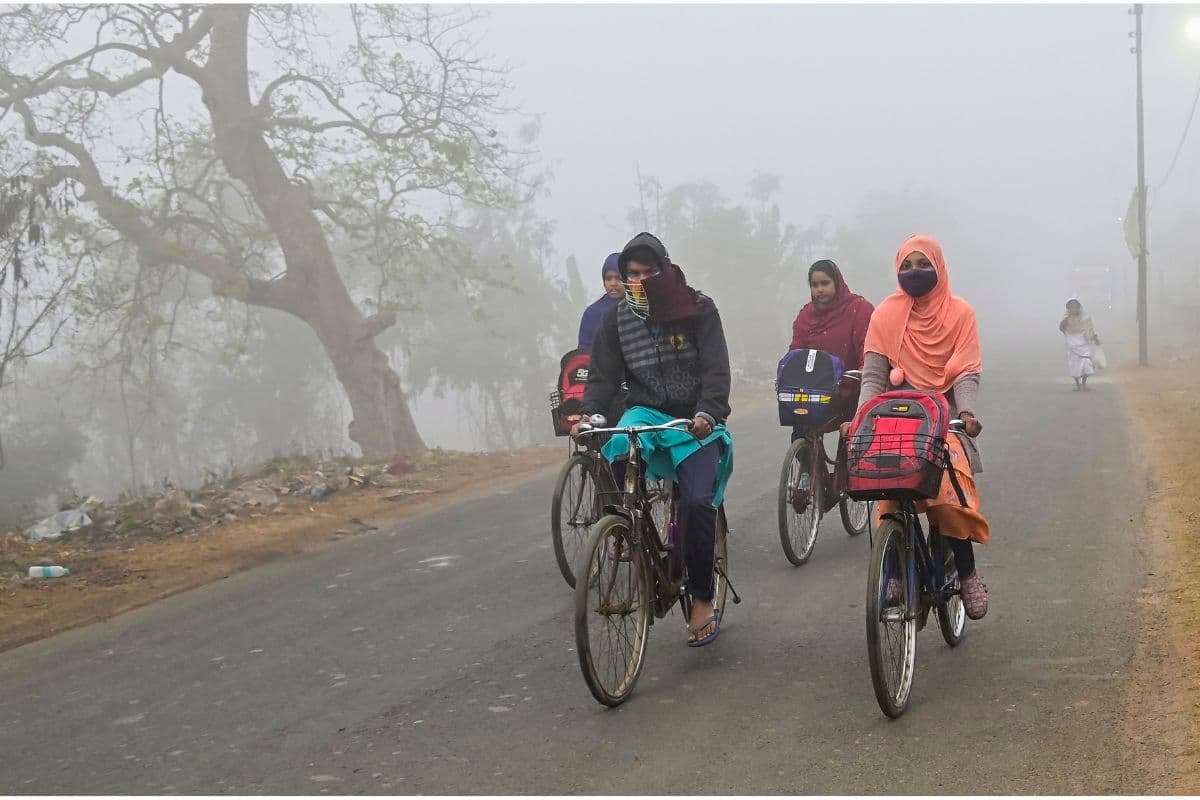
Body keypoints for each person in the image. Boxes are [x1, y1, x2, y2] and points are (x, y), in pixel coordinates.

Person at [573, 232, 734, 647]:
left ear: (666, 270)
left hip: (692, 419)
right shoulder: (615, 319)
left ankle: (701, 596)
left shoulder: (699, 309)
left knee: (698, 502)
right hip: (644, 411)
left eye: (648, 273)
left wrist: (707, 412)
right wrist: (590, 414)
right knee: (614, 450)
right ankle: (631, 527)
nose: (638, 282)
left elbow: (717, 373)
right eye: (631, 274)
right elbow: (604, 377)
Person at [844, 234, 990, 620]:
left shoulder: (961, 314)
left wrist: (969, 413)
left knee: (947, 499)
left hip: (946, 421)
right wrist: (860, 420)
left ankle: (968, 573)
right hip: (895, 421)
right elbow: (874, 378)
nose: (914, 273)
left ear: (939, 268)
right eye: (906, 266)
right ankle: (892, 570)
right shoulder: (885, 315)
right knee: (887, 493)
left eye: (923, 264)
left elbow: (966, 375)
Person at [788, 259, 875, 372]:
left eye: (825, 283)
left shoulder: (859, 309)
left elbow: (869, 352)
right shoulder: (806, 315)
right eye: (814, 285)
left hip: (854, 384)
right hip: (813, 386)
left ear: (837, 282)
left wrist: (864, 379)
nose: (819, 289)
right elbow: (796, 355)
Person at [577, 253, 624, 351]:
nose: (613, 283)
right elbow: (584, 354)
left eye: (618, 278)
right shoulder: (592, 313)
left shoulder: (637, 308)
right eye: (608, 278)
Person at [1059, 297, 1101, 391]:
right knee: (1074, 364)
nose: (1074, 310)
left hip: (1083, 341)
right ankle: (1078, 385)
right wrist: (1065, 321)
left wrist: (1095, 338)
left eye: (1075, 308)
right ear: (1068, 309)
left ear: (1079, 308)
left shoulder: (1085, 317)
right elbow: (1062, 329)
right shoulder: (1065, 318)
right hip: (1072, 341)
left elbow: (1090, 329)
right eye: (1071, 308)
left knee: (1087, 361)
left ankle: (1084, 384)